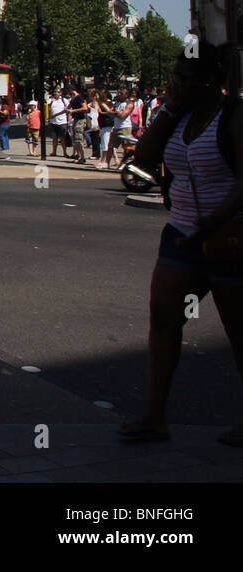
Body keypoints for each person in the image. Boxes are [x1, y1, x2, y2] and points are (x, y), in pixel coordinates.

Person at [123, 41, 243, 447]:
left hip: (229, 236)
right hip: (182, 232)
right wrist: (169, 110)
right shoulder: (178, 117)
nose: (177, 85)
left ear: (209, 81)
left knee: (238, 329)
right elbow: (143, 158)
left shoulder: (234, 117)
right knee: (163, 321)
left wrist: (216, 219)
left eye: (185, 79)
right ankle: (154, 417)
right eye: (174, 78)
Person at [48, 89, 69, 157]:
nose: (56, 93)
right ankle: (54, 152)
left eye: (58, 92)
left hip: (62, 122)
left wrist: (69, 119)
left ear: (60, 93)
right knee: (54, 138)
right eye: (55, 92)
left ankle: (65, 152)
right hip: (53, 122)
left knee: (62, 138)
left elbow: (68, 110)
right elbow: (48, 110)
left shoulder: (64, 100)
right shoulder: (51, 100)